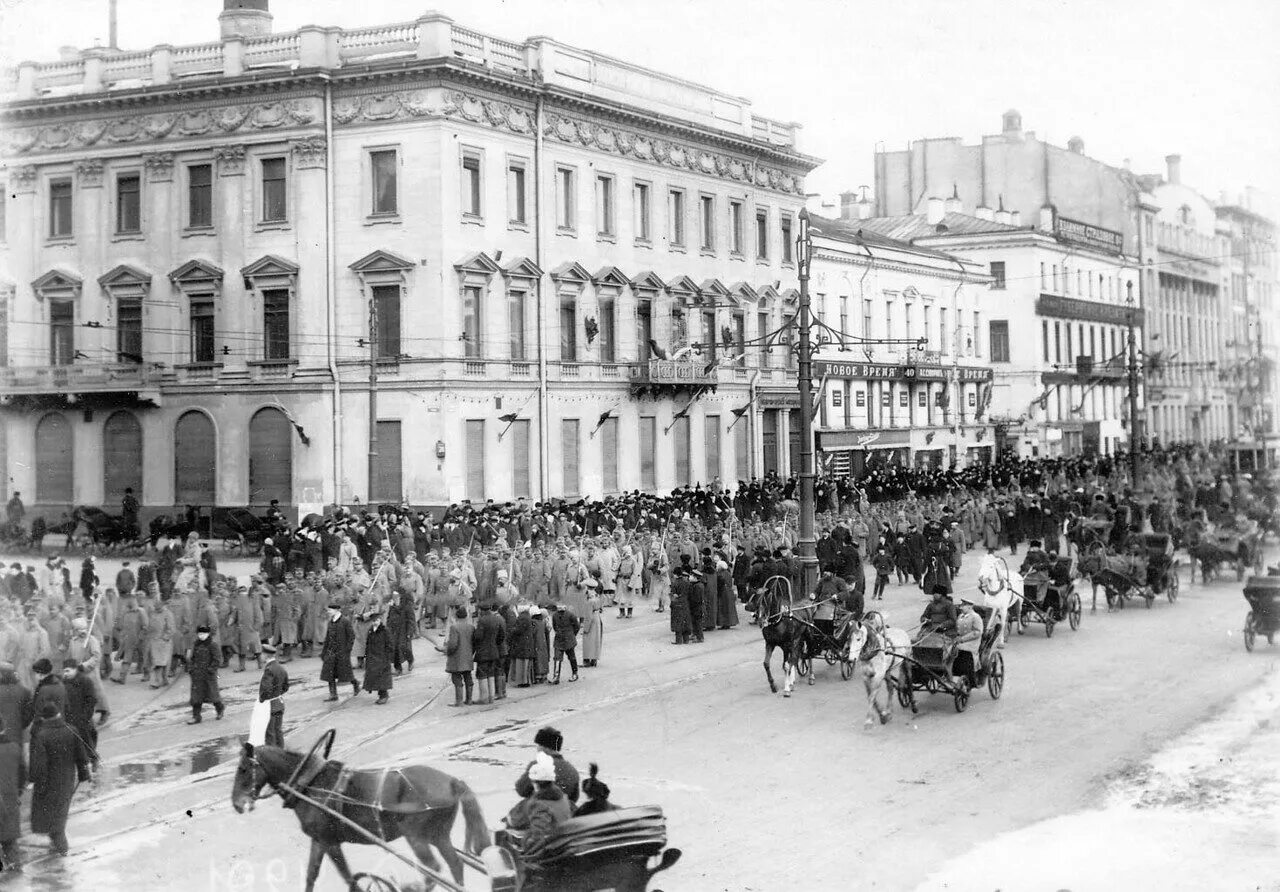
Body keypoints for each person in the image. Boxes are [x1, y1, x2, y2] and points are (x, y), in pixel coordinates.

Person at [29, 701, 91, 856]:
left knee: (51, 815)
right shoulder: (72, 730)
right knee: (60, 812)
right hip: (68, 780)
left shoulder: (41, 736)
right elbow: (82, 757)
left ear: (45, 719)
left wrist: (36, 782)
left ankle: (61, 848)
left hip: (49, 782)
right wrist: (84, 775)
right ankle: (58, 845)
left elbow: (39, 765)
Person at [505, 754, 571, 850]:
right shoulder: (563, 798)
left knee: (509, 836)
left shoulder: (538, 804)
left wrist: (526, 843)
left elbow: (538, 835)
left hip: (550, 847)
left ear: (535, 783)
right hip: (561, 840)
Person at [514, 726, 581, 805]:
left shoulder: (537, 766)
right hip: (565, 812)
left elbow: (521, 790)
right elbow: (574, 798)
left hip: (539, 812)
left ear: (544, 747)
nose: (537, 749)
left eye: (539, 745)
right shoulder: (572, 770)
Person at [60, 659, 98, 769]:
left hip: (83, 719)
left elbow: (91, 700)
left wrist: (86, 717)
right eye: (64, 671)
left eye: (68, 671)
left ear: (75, 669)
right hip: (69, 718)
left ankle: (92, 761)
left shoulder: (86, 681)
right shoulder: (63, 682)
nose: (65, 674)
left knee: (87, 741)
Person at [187, 626, 225, 724]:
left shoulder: (213, 645)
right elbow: (192, 658)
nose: (201, 636)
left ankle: (220, 709)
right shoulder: (196, 644)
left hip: (209, 675)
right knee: (196, 697)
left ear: (208, 634)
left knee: (213, 695)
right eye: (199, 634)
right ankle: (196, 716)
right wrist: (191, 669)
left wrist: (211, 669)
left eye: (203, 634)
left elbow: (217, 659)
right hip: (197, 675)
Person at [320, 604, 358, 702]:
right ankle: (333, 695)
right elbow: (327, 638)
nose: (329, 612)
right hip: (331, 651)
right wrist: (324, 652)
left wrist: (347, 650)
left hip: (342, 652)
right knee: (329, 673)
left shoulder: (345, 621)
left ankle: (355, 683)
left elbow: (351, 636)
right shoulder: (330, 622)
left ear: (337, 610)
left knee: (346, 673)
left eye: (330, 610)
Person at [472, 602, 505, 704]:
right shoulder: (496, 619)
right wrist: (495, 643)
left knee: (481, 674)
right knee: (491, 673)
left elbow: (478, 636)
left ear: (481, 610)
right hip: (494, 651)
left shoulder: (482, 621)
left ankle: (484, 697)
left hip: (483, 652)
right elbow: (501, 635)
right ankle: (491, 696)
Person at [257, 644, 289, 747]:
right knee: (278, 730)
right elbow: (286, 686)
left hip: (269, 705)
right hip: (279, 703)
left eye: (261, 654)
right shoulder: (281, 668)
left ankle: (272, 756)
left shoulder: (269, 670)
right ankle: (281, 753)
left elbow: (266, 689)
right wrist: (277, 694)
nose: (260, 656)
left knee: (269, 733)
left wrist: (262, 700)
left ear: (266, 655)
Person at [0, 712, 20, 870]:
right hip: (11, 798)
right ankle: (15, 870)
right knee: (10, 841)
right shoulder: (14, 747)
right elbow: (23, 773)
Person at [443, 606, 475, 707]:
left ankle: (459, 701)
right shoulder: (471, 627)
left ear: (456, 616)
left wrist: (448, 652)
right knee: (468, 678)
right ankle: (469, 699)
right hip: (468, 656)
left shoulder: (454, 627)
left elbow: (453, 644)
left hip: (457, 657)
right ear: (466, 616)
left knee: (457, 679)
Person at [362, 610, 394, 705]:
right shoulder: (371, 631)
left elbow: (390, 645)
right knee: (375, 677)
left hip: (382, 658)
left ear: (380, 620)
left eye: (376, 620)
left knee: (382, 678)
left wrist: (387, 657)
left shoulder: (385, 631)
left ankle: (384, 695)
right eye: (373, 621)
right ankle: (381, 694)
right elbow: (368, 644)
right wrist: (366, 657)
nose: (374, 622)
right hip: (372, 657)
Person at [550, 604, 580, 684]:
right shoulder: (555, 615)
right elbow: (555, 626)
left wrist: (572, 635)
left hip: (568, 639)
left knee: (571, 656)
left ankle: (574, 673)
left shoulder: (570, 615)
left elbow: (577, 626)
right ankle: (556, 676)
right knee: (557, 658)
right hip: (560, 638)